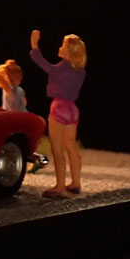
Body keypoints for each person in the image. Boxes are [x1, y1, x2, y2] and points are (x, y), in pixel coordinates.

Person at [29, 29, 87, 198]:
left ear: (69, 52)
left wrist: (34, 45)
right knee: (71, 146)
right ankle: (76, 182)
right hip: (72, 110)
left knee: (57, 148)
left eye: (63, 46)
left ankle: (60, 185)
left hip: (59, 108)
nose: (59, 48)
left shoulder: (61, 68)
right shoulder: (80, 71)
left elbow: (44, 65)